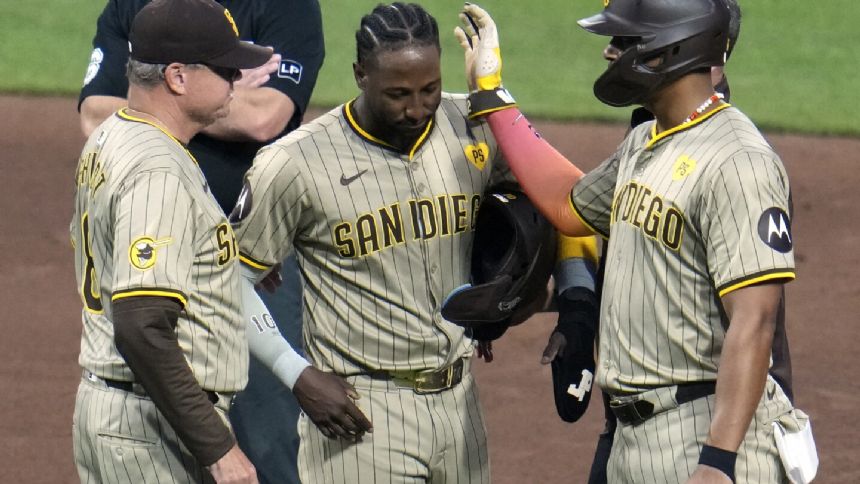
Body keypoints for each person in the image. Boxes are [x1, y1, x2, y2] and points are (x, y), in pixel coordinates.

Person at [228, 3, 593, 482]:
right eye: (398, 94)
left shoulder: (472, 124)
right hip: (362, 416)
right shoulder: (295, 163)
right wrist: (294, 372)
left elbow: (571, 202)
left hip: (460, 405)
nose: (417, 109)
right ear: (360, 74)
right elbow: (230, 280)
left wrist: (575, 305)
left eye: (430, 89)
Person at [457, 1, 814, 482]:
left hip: (703, 431)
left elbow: (755, 318)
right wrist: (493, 94)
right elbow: (568, 203)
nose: (609, 52)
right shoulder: (647, 139)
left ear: (669, 49)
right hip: (633, 437)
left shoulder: (739, 161)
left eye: (623, 42)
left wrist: (719, 460)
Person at [78, 1, 324, 481]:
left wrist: (219, 254)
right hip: (150, 425)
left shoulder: (116, 139)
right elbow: (143, 327)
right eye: (225, 69)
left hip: (121, 410)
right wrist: (220, 450)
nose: (237, 81)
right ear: (177, 77)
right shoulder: (159, 170)